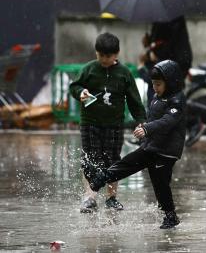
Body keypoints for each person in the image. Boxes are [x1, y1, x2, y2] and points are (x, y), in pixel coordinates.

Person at [88, 60, 187, 229]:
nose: (155, 88)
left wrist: (147, 129)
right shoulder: (158, 97)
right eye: (153, 84)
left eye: (158, 84)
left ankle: (170, 216)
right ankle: (103, 177)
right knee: (129, 162)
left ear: (170, 83)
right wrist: (143, 126)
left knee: (160, 185)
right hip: (152, 146)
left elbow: (167, 121)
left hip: (166, 152)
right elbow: (152, 117)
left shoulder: (177, 101)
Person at [69, 32, 147, 213]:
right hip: (90, 123)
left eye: (108, 56)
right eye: (100, 55)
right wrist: (81, 93)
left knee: (113, 160)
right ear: (96, 53)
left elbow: (134, 100)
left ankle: (111, 197)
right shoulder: (89, 69)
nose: (104, 59)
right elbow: (75, 86)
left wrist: (141, 121)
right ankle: (90, 196)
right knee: (90, 159)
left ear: (116, 54)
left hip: (114, 125)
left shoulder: (124, 73)